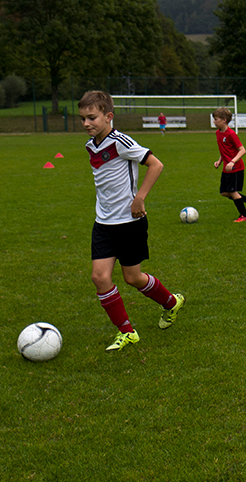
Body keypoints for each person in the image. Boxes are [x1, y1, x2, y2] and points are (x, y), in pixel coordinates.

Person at [78, 91, 185, 352]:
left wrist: (139, 198)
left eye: (92, 118)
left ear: (108, 116)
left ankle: (170, 302)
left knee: (133, 278)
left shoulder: (120, 141)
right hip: (103, 224)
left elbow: (156, 165)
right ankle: (127, 332)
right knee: (99, 277)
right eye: (82, 119)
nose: (86, 124)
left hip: (129, 221)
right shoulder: (91, 145)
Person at [213, 107, 246, 223]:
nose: (214, 122)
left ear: (224, 120)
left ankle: (244, 215)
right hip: (226, 168)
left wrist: (232, 162)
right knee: (224, 192)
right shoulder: (218, 133)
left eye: (216, 119)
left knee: (233, 191)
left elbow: (242, 150)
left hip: (236, 168)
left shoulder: (231, 134)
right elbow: (224, 150)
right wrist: (220, 161)